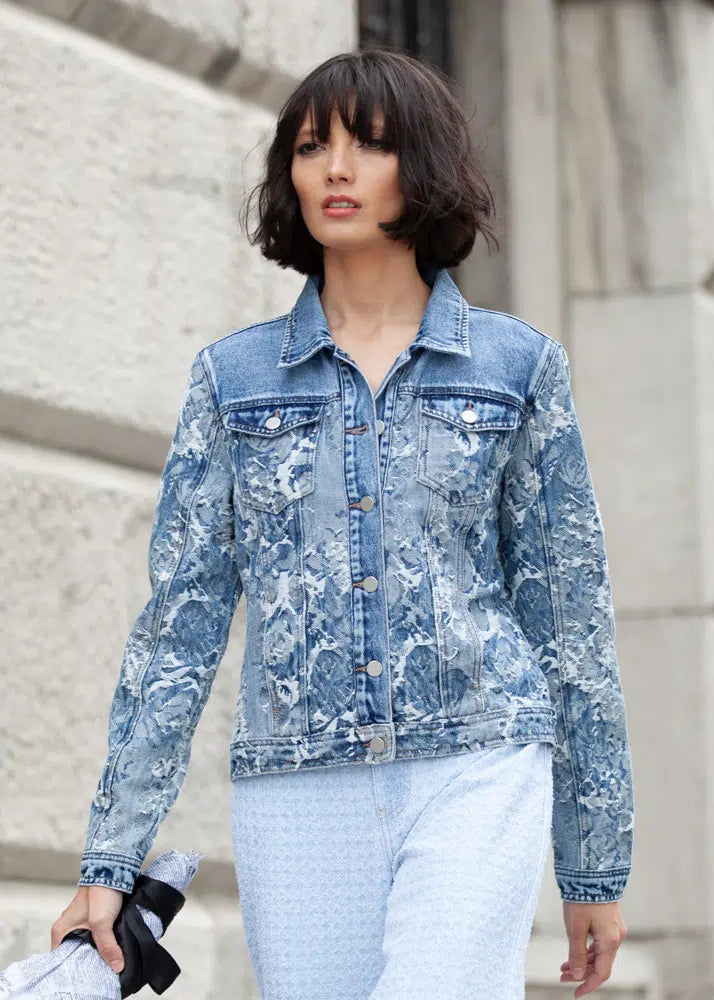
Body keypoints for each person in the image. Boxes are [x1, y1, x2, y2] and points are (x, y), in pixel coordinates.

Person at [50, 47, 634, 999]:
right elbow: (177, 630)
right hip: (296, 781)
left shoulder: (516, 369)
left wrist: (593, 863)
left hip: (478, 759)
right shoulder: (231, 383)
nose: (335, 168)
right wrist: (108, 861)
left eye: (369, 144)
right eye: (312, 145)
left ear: (426, 168)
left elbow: (571, 623)